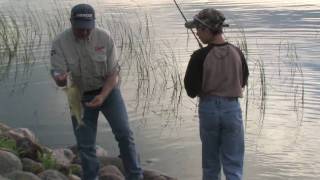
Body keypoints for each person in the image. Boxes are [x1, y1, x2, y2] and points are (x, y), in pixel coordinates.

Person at [50, 4, 143, 180]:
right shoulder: (60, 42)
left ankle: (135, 176)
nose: (85, 32)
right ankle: (91, 177)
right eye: (80, 29)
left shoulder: (105, 37)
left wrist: (103, 95)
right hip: (79, 96)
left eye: (88, 28)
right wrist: (59, 78)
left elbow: (112, 73)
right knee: (85, 144)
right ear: (71, 22)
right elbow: (56, 73)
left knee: (125, 134)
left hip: (108, 93)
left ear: (93, 22)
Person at [184, 8, 249, 180]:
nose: (197, 33)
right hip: (232, 110)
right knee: (233, 166)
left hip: (209, 110)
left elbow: (191, 90)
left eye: (198, 29)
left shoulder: (199, 56)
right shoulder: (238, 53)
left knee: (211, 165)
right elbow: (243, 82)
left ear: (207, 29)